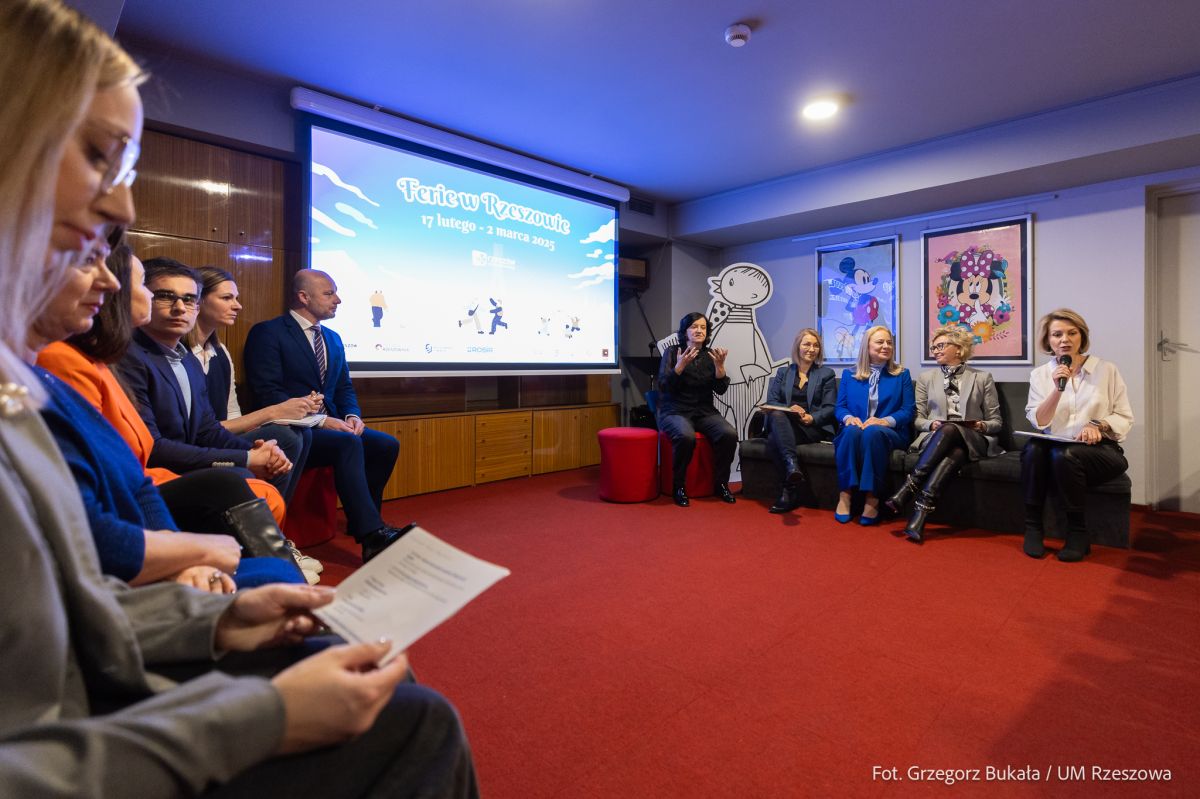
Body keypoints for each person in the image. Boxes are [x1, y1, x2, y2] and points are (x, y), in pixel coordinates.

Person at [0, 2, 476, 795]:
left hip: (115, 685)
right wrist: (259, 715)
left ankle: (337, 538)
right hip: (96, 739)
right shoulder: (65, 378)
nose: (122, 213)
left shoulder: (28, 386)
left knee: (376, 663)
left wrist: (216, 618)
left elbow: (80, 615)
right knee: (417, 720)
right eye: (97, 158)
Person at [32, 243, 307, 589]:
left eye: (189, 299)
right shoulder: (83, 359)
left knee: (276, 453)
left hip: (145, 489)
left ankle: (281, 574)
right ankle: (286, 585)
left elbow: (200, 432)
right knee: (228, 483)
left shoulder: (177, 358)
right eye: (155, 291)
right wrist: (176, 556)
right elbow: (116, 478)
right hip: (133, 503)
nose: (179, 307)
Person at [243, 269, 404, 561]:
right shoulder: (268, 333)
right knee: (348, 444)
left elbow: (343, 387)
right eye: (329, 293)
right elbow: (268, 393)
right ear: (303, 297)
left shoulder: (333, 338)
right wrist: (321, 421)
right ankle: (372, 537)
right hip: (295, 431)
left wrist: (353, 415)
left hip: (335, 425)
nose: (338, 300)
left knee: (386, 445)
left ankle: (366, 521)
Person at [118, 257, 297, 497]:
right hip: (150, 475)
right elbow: (153, 447)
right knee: (236, 478)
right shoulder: (128, 357)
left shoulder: (188, 360)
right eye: (165, 296)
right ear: (144, 298)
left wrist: (257, 452)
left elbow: (207, 430)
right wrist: (246, 458)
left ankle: (275, 534)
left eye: (189, 299)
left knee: (276, 461)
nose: (180, 308)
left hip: (184, 461)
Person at [186, 264, 316, 503]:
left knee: (293, 433)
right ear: (198, 301)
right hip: (196, 445)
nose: (238, 305)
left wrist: (260, 437)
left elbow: (232, 414)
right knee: (284, 436)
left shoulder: (220, 352)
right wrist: (275, 411)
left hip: (217, 438)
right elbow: (199, 432)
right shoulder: (180, 354)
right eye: (227, 298)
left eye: (236, 298)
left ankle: (275, 519)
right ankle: (269, 525)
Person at [1021, 308, 1133, 562]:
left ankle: (1077, 532)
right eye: (1057, 334)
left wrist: (1099, 424)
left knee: (1065, 456)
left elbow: (1125, 416)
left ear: (1081, 336)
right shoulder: (1040, 375)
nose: (1064, 340)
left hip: (1100, 450)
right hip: (1055, 447)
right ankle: (1033, 527)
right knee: (1034, 449)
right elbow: (1039, 421)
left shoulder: (1106, 370)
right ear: (1048, 340)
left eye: (1071, 333)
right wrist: (1056, 389)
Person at [885, 325, 1003, 542]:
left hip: (975, 439)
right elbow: (917, 418)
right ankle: (920, 512)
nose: (935, 351)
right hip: (936, 438)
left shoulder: (982, 378)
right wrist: (931, 425)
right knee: (954, 447)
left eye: (940, 346)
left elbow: (996, 422)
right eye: (933, 347)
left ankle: (908, 489)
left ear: (958, 349)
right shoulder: (926, 378)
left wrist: (980, 426)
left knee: (952, 430)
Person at [833, 325, 914, 524]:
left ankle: (872, 497)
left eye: (889, 342)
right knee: (851, 432)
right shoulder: (849, 375)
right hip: (857, 430)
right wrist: (848, 418)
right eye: (880, 342)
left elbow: (908, 410)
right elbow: (840, 407)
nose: (886, 346)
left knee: (873, 432)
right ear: (866, 346)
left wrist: (884, 421)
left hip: (889, 433)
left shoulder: (902, 374)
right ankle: (845, 494)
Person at [656, 311, 738, 506]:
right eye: (694, 327)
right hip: (675, 410)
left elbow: (721, 390)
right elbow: (663, 386)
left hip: (704, 411)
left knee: (729, 434)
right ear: (685, 331)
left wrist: (720, 370)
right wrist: (679, 366)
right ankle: (679, 486)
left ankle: (721, 484)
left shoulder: (711, 356)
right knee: (686, 436)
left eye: (703, 327)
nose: (699, 330)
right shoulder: (672, 352)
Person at [761, 327, 836, 513]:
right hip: (785, 423)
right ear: (798, 347)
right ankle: (791, 467)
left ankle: (788, 488)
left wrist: (812, 417)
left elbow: (830, 407)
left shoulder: (826, 374)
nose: (811, 349)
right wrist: (789, 409)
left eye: (815, 345)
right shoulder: (783, 373)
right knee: (778, 415)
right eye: (807, 344)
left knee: (773, 439)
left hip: (809, 427)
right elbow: (772, 401)